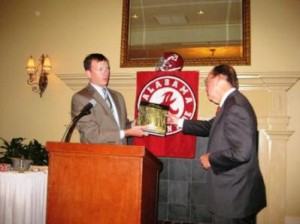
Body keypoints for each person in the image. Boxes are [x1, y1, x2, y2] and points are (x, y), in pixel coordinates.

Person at [166, 64, 266, 224]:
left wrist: (211, 158)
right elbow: (209, 126)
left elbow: (242, 152)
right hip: (236, 193)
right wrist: (178, 121)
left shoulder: (235, 107)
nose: (205, 87)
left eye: (207, 81)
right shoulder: (231, 104)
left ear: (219, 78)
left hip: (233, 196)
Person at [71, 53, 148, 144]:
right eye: (100, 69)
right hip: (99, 155)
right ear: (89, 74)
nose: (106, 73)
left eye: (107, 68)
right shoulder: (81, 98)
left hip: (123, 153)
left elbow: (121, 126)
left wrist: (133, 124)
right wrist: (126, 133)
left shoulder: (118, 96)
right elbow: (90, 136)